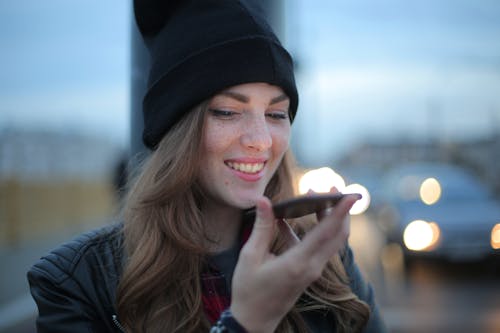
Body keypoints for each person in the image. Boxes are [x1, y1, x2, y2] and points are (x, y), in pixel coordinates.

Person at [27, 1, 388, 332]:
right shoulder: (77, 282)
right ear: (176, 130)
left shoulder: (320, 258)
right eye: (228, 112)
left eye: (276, 113)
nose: (261, 139)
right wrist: (247, 323)